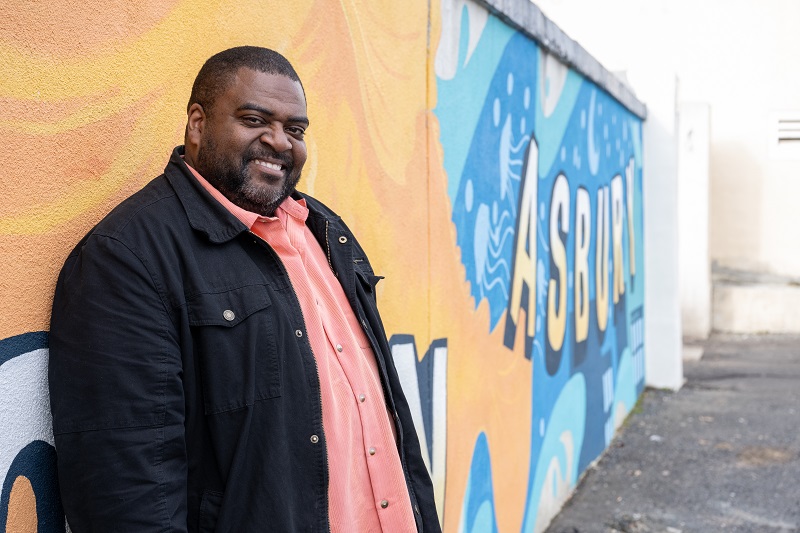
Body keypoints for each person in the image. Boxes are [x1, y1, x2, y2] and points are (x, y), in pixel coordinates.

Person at [48, 46, 440, 533]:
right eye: (255, 120)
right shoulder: (128, 258)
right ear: (197, 123)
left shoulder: (322, 228)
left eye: (295, 130)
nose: (280, 142)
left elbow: (387, 417)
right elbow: (128, 494)